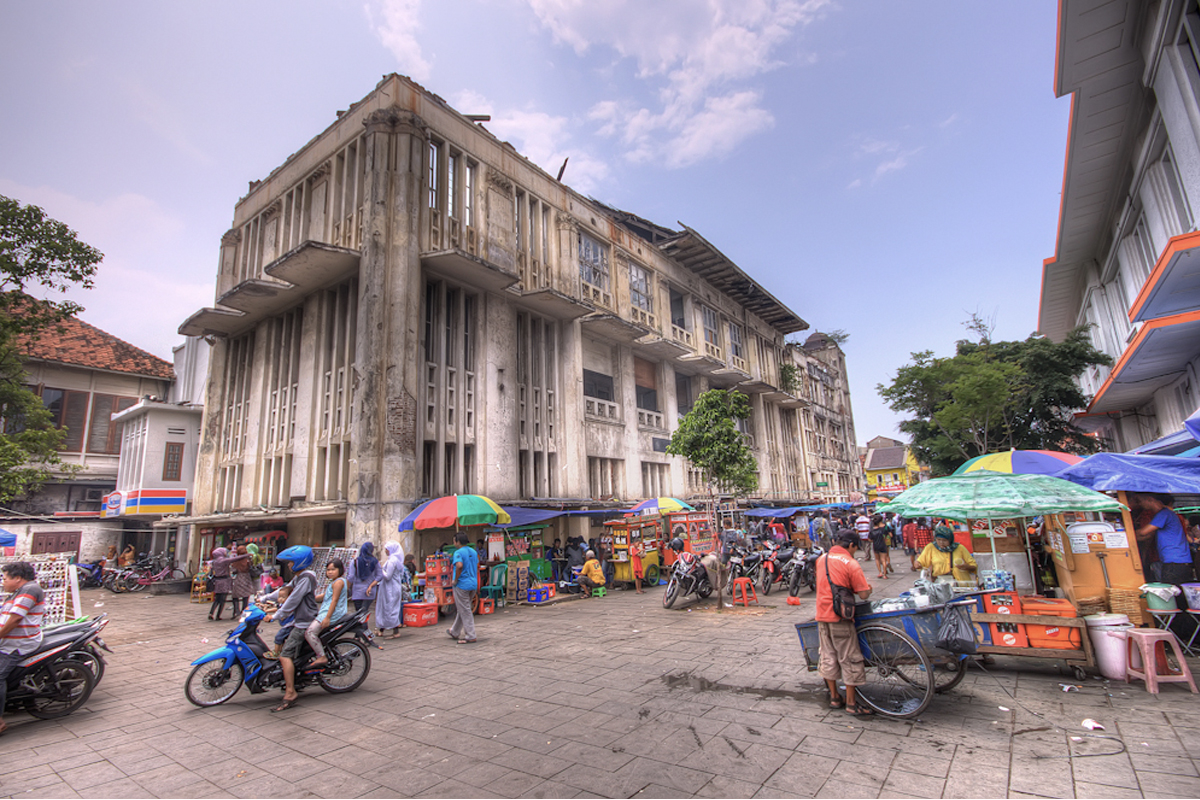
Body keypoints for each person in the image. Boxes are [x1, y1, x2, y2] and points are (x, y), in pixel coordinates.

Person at [816, 530, 873, 716]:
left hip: (822, 615)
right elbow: (863, 593)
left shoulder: (821, 559)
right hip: (841, 616)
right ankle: (851, 702)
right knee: (849, 658)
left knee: (828, 656)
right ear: (851, 545)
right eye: (855, 548)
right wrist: (868, 589)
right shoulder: (851, 563)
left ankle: (834, 697)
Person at [265, 546, 318, 713]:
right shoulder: (299, 577)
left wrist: (276, 615)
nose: (288, 565)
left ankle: (290, 692)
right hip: (298, 619)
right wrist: (261, 598)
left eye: (291, 562)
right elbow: (284, 591)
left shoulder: (306, 578)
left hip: (304, 622)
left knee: (285, 655)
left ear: (299, 562)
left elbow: (292, 600)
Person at [0, 561, 45, 735]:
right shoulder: (17, 593)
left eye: (4, 578)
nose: (2, 582)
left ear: (17, 578)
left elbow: (15, 619)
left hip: (17, 646)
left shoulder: (30, 590)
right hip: (8, 642)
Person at [1135, 493, 1193, 587]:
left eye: (1140, 501)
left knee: (1171, 594)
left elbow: (1143, 532)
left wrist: (1128, 534)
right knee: (1177, 595)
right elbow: (1148, 536)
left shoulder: (1164, 514)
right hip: (1178, 561)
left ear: (1149, 499)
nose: (1140, 504)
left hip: (1174, 562)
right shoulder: (1167, 514)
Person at [305, 558, 349, 669]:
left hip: (331, 613)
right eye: (328, 570)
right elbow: (325, 595)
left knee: (309, 633)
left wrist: (327, 618)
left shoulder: (338, 582)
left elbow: (334, 600)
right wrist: (310, 598)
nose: (330, 572)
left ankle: (321, 656)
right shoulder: (335, 582)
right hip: (326, 611)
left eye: (333, 569)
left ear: (340, 569)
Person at [369, 541, 406, 639]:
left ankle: (395, 631)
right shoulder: (394, 560)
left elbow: (387, 576)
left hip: (391, 589)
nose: (385, 551)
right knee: (387, 609)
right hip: (390, 588)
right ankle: (381, 629)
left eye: (386, 549)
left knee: (390, 610)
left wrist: (379, 569)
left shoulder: (392, 561)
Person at [448, 532, 479, 644]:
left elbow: (459, 565)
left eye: (454, 540)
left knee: (465, 610)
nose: (454, 543)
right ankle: (455, 631)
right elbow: (476, 566)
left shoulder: (458, 553)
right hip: (473, 584)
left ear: (458, 542)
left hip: (462, 585)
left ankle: (471, 635)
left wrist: (455, 579)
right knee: (464, 608)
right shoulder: (474, 552)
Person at [346, 542, 382, 613]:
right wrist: (371, 585)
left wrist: (346, 589)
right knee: (364, 612)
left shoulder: (355, 561)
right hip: (370, 592)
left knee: (359, 614)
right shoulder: (375, 562)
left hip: (357, 592)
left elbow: (351, 577)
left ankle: (362, 624)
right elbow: (380, 575)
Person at [207, 547, 235, 620]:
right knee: (222, 599)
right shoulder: (223, 560)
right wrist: (246, 555)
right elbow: (234, 559)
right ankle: (218, 615)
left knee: (217, 599)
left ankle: (211, 612)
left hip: (217, 581)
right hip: (224, 581)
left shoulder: (214, 562)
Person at [229, 545, 253, 617]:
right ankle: (244, 610)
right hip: (247, 577)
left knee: (235, 595)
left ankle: (236, 610)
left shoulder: (236, 560)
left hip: (239, 578)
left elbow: (233, 570)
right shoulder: (248, 559)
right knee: (245, 596)